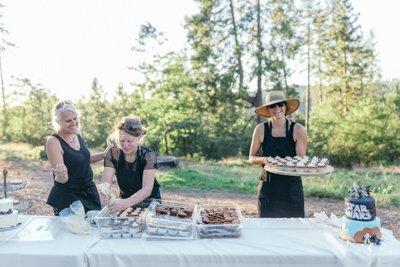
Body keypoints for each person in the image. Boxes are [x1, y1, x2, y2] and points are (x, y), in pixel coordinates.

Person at [249, 91, 307, 218]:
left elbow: (301, 161)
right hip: (268, 186)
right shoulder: (260, 129)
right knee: (266, 229)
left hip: (292, 187)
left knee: (295, 229)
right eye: (272, 106)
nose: (277, 109)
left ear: (285, 107)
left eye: (280, 104)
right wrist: (265, 159)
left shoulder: (299, 130)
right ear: (268, 110)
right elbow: (251, 158)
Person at [46, 100, 105, 215]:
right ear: (58, 121)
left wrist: (105, 154)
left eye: (75, 118)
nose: (73, 122)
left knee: (93, 231)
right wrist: (61, 175)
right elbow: (62, 179)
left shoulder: (76, 135)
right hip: (70, 198)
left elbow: (83, 160)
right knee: (74, 231)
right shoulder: (53, 141)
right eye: (68, 120)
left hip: (89, 193)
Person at [101, 117, 161, 213]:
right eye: (121, 140)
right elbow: (105, 182)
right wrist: (104, 193)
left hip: (149, 202)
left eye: (129, 141)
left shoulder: (148, 155)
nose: (125, 145)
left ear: (139, 138)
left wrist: (125, 203)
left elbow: (147, 189)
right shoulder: (113, 153)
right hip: (124, 202)